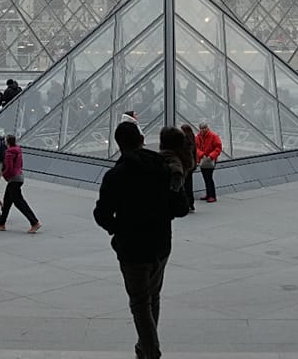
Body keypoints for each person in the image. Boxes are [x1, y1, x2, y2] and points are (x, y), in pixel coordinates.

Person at [94, 121, 175, 359]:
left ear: (119, 145)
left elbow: (101, 214)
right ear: (141, 141)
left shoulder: (115, 175)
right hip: (161, 244)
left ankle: (150, 351)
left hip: (132, 249)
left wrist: (120, 230)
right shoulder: (163, 168)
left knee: (140, 303)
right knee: (153, 297)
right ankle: (145, 347)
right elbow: (178, 207)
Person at [0, 134, 41, 233]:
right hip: (19, 177)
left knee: (19, 202)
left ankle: (34, 222)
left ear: (7, 142)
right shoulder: (18, 150)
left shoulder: (9, 152)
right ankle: (0, 223)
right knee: (7, 201)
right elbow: (20, 164)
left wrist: (3, 174)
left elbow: (9, 167)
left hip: (13, 179)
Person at [195, 121, 222, 203]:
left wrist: (211, 156)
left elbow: (218, 148)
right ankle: (209, 194)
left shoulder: (214, 136)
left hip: (210, 160)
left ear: (207, 128)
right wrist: (201, 154)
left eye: (205, 128)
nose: (203, 130)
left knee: (208, 177)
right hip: (203, 160)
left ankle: (212, 195)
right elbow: (195, 147)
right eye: (202, 128)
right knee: (206, 178)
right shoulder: (198, 137)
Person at [176, 123, 198, 213]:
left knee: (184, 186)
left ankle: (186, 204)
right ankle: (191, 204)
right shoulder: (192, 139)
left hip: (185, 166)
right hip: (191, 166)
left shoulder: (184, 142)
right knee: (189, 186)